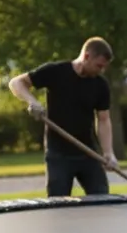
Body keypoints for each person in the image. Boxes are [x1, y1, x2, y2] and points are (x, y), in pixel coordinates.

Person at [9, 37, 116, 198]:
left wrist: (108, 152)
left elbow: (103, 119)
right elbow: (16, 83)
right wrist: (32, 101)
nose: (101, 70)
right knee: (58, 204)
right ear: (86, 57)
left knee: (103, 199)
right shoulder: (56, 72)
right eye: (99, 66)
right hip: (58, 154)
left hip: (88, 153)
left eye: (104, 67)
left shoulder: (100, 85)